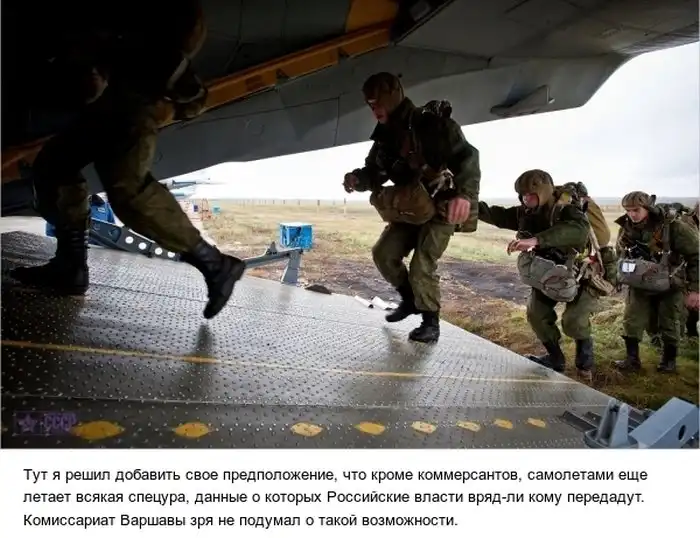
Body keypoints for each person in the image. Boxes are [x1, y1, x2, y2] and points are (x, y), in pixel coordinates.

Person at [10, 0, 245, 319]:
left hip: (132, 116)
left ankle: (215, 265)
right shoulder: (107, 35)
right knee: (55, 165)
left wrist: (163, 101)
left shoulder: (154, 46)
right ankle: (70, 266)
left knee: (129, 190)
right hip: (107, 111)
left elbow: (192, 98)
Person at [343, 72, 480, 343]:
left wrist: (464, 195)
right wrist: (357, 179)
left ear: (393, 98)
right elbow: (374, 171)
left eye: (378, 103)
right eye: (370, 105)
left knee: (422, 264)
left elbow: (468, 157)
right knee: (384, 254)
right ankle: (409, 300)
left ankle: (430, 322)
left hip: (441, 207)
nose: (374, 110)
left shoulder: (433, 126)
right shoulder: (385, 138)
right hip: (412, 207)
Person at [478, 170, 616, 381]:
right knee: (536, 314)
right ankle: (555, 359)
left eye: (531, 195)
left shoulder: (569, 211)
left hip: (584, 274)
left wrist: (536, 241)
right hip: (552, 273)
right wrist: (468, 204)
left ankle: (584, 365)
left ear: (543, 193)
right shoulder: (526, 213)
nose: (526, 199)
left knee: (574, 321)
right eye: (522, 195)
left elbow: (578, 230)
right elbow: (497, 215)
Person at [613, 192, 699, 373]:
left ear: (647, 208)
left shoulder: (672, 226)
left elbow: (696, 255)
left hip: (670, 283)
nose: (632, 214)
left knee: (670, 322)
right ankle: (632, 360)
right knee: (632, 320)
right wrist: (618, 276)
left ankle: (669, 362)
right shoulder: (626, 227)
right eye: (628, 210)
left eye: (636, 210)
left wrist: (695, 289)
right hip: (639, 283)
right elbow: (619, 253)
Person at [46, 194, 116, 246]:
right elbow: (50, 231)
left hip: (98, 253)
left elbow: (113, 231)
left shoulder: (104, 206)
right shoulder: (62, 203)